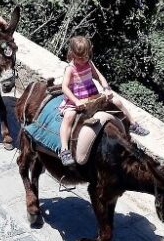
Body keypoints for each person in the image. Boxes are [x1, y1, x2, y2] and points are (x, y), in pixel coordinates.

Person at [58, 35, 149, 166]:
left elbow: (100, 77)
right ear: (72, 54)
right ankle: (64, 150)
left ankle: (133, 124)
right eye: (80, 58)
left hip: (92, 97)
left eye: (86, 57)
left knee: (117, 102)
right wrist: (76, 101)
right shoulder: (70, 69)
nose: (83, 60)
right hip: (76, 100)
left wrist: (106, 89)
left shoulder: (89, 64)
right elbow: (64, 87)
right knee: (69, 116)